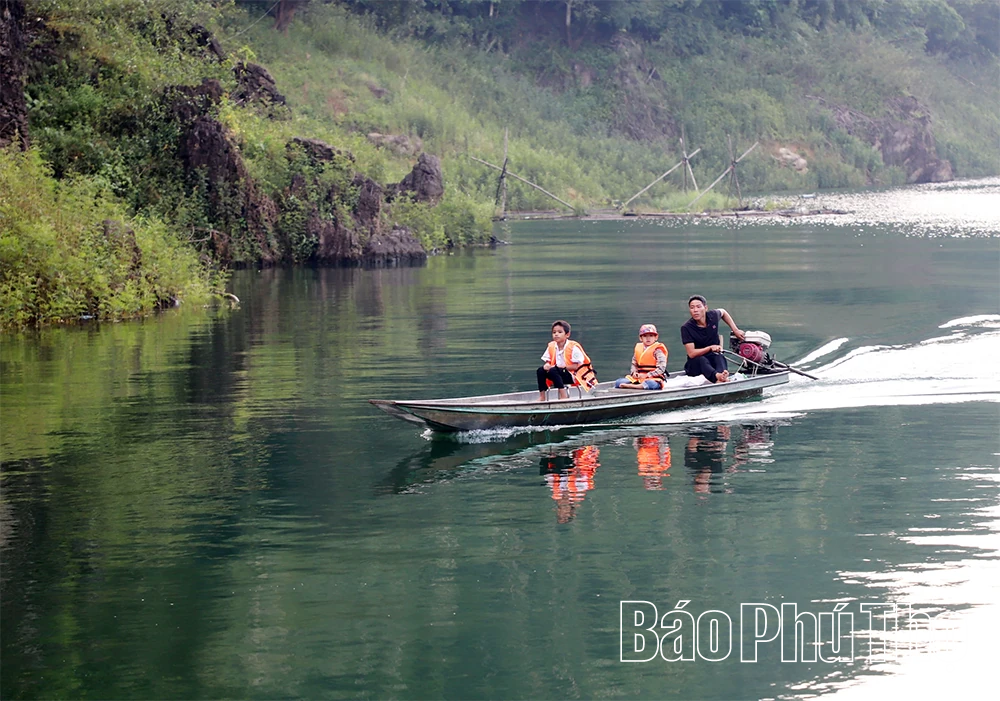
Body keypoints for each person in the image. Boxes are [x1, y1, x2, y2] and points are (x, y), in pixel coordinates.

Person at [681, 295, 745, 383]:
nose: (695, 310)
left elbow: (723, 312)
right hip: (695, 365)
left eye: (698, 307)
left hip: (713, 358)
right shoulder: (686, 328)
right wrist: (710, 348)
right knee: (702, 360)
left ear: (705, 308)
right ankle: (717, 377)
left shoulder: (712, 316)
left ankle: (722, 375)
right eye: (692, 308)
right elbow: (691, 354)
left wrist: (735, 330)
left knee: (719, 357)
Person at [537, 320, 595, 401]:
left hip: (572, 375)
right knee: (540, 370)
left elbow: (577, 366)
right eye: (554, 332)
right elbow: (548, 361)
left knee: (554, 370)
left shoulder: (573, 347)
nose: (556, 334)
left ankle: (563, 396)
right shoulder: (551, 345)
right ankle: (542, 397)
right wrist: (546, 365)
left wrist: (562, 367)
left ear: (567, 334)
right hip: (556, 373)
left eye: (560, 332)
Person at [615, 324, 669, 390]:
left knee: (651, 384)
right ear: (641, 338)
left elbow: (661, 368)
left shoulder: (658, 350)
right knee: (618, 382)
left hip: (653, 378)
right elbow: (634, 364)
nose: (648, 338)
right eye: (645, 336)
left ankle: (635, 386)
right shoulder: (638, 349)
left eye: (651, 336)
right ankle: (637, 385)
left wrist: (647, 375)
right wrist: (634, 373)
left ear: (656, 337)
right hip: (639, 378)